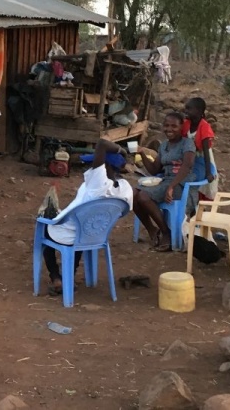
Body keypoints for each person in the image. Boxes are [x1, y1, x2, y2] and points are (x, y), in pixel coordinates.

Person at [41, 140, 134, 296]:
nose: (89, 168)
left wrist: (121, 150)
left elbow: (102, 144)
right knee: (79, 228)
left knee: (45, 227)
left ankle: (56, 277)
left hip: (73, 234)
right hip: (97, 236)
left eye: (93, 165)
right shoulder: (125, 188)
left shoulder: (97, 184)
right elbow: (123, 212)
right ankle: (69, 275)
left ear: (105, 167)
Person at [134, 112, 197, 252]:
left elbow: (187, 166)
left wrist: (171, 186)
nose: (169, 129)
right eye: (167, 125)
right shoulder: (163, 146)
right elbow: (155, 170)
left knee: (143, 196)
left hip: (181, 183)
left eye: (174, 126)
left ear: (181, 127)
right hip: (165, 181)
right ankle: (152, 230)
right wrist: (142, 154)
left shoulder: (187, 143)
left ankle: (166, 233)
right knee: (132, 193)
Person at [182, 97, 217, 201]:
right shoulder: (186, 123)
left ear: (198, 111)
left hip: (201, 157)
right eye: (186, 108)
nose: (186, 111)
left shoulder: (204, 126)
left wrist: (208, 172)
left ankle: (197, 205)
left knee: (202, 183)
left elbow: (205, 151)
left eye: (189, 109)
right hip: (189, 156)